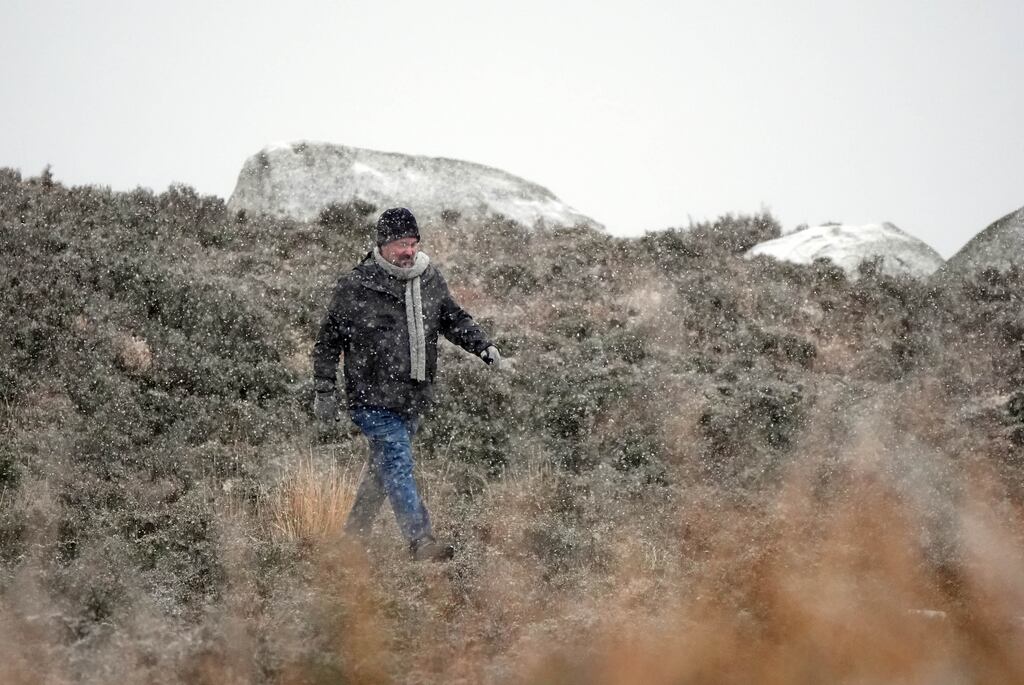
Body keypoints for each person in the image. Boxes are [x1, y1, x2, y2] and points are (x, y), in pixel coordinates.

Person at [312, 207, 500, 561]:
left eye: (413, 243)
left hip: (413, 397)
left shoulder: (428, 278)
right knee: (396, 461)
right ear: (383, 245)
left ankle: (352, 542)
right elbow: (327, 342)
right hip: (370, 398)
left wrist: (483, 346)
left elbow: (452, 318)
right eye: (401, 244)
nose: (408, 251)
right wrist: (324, 390)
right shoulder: (357, 285)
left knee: (383, 471)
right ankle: (421, 541)